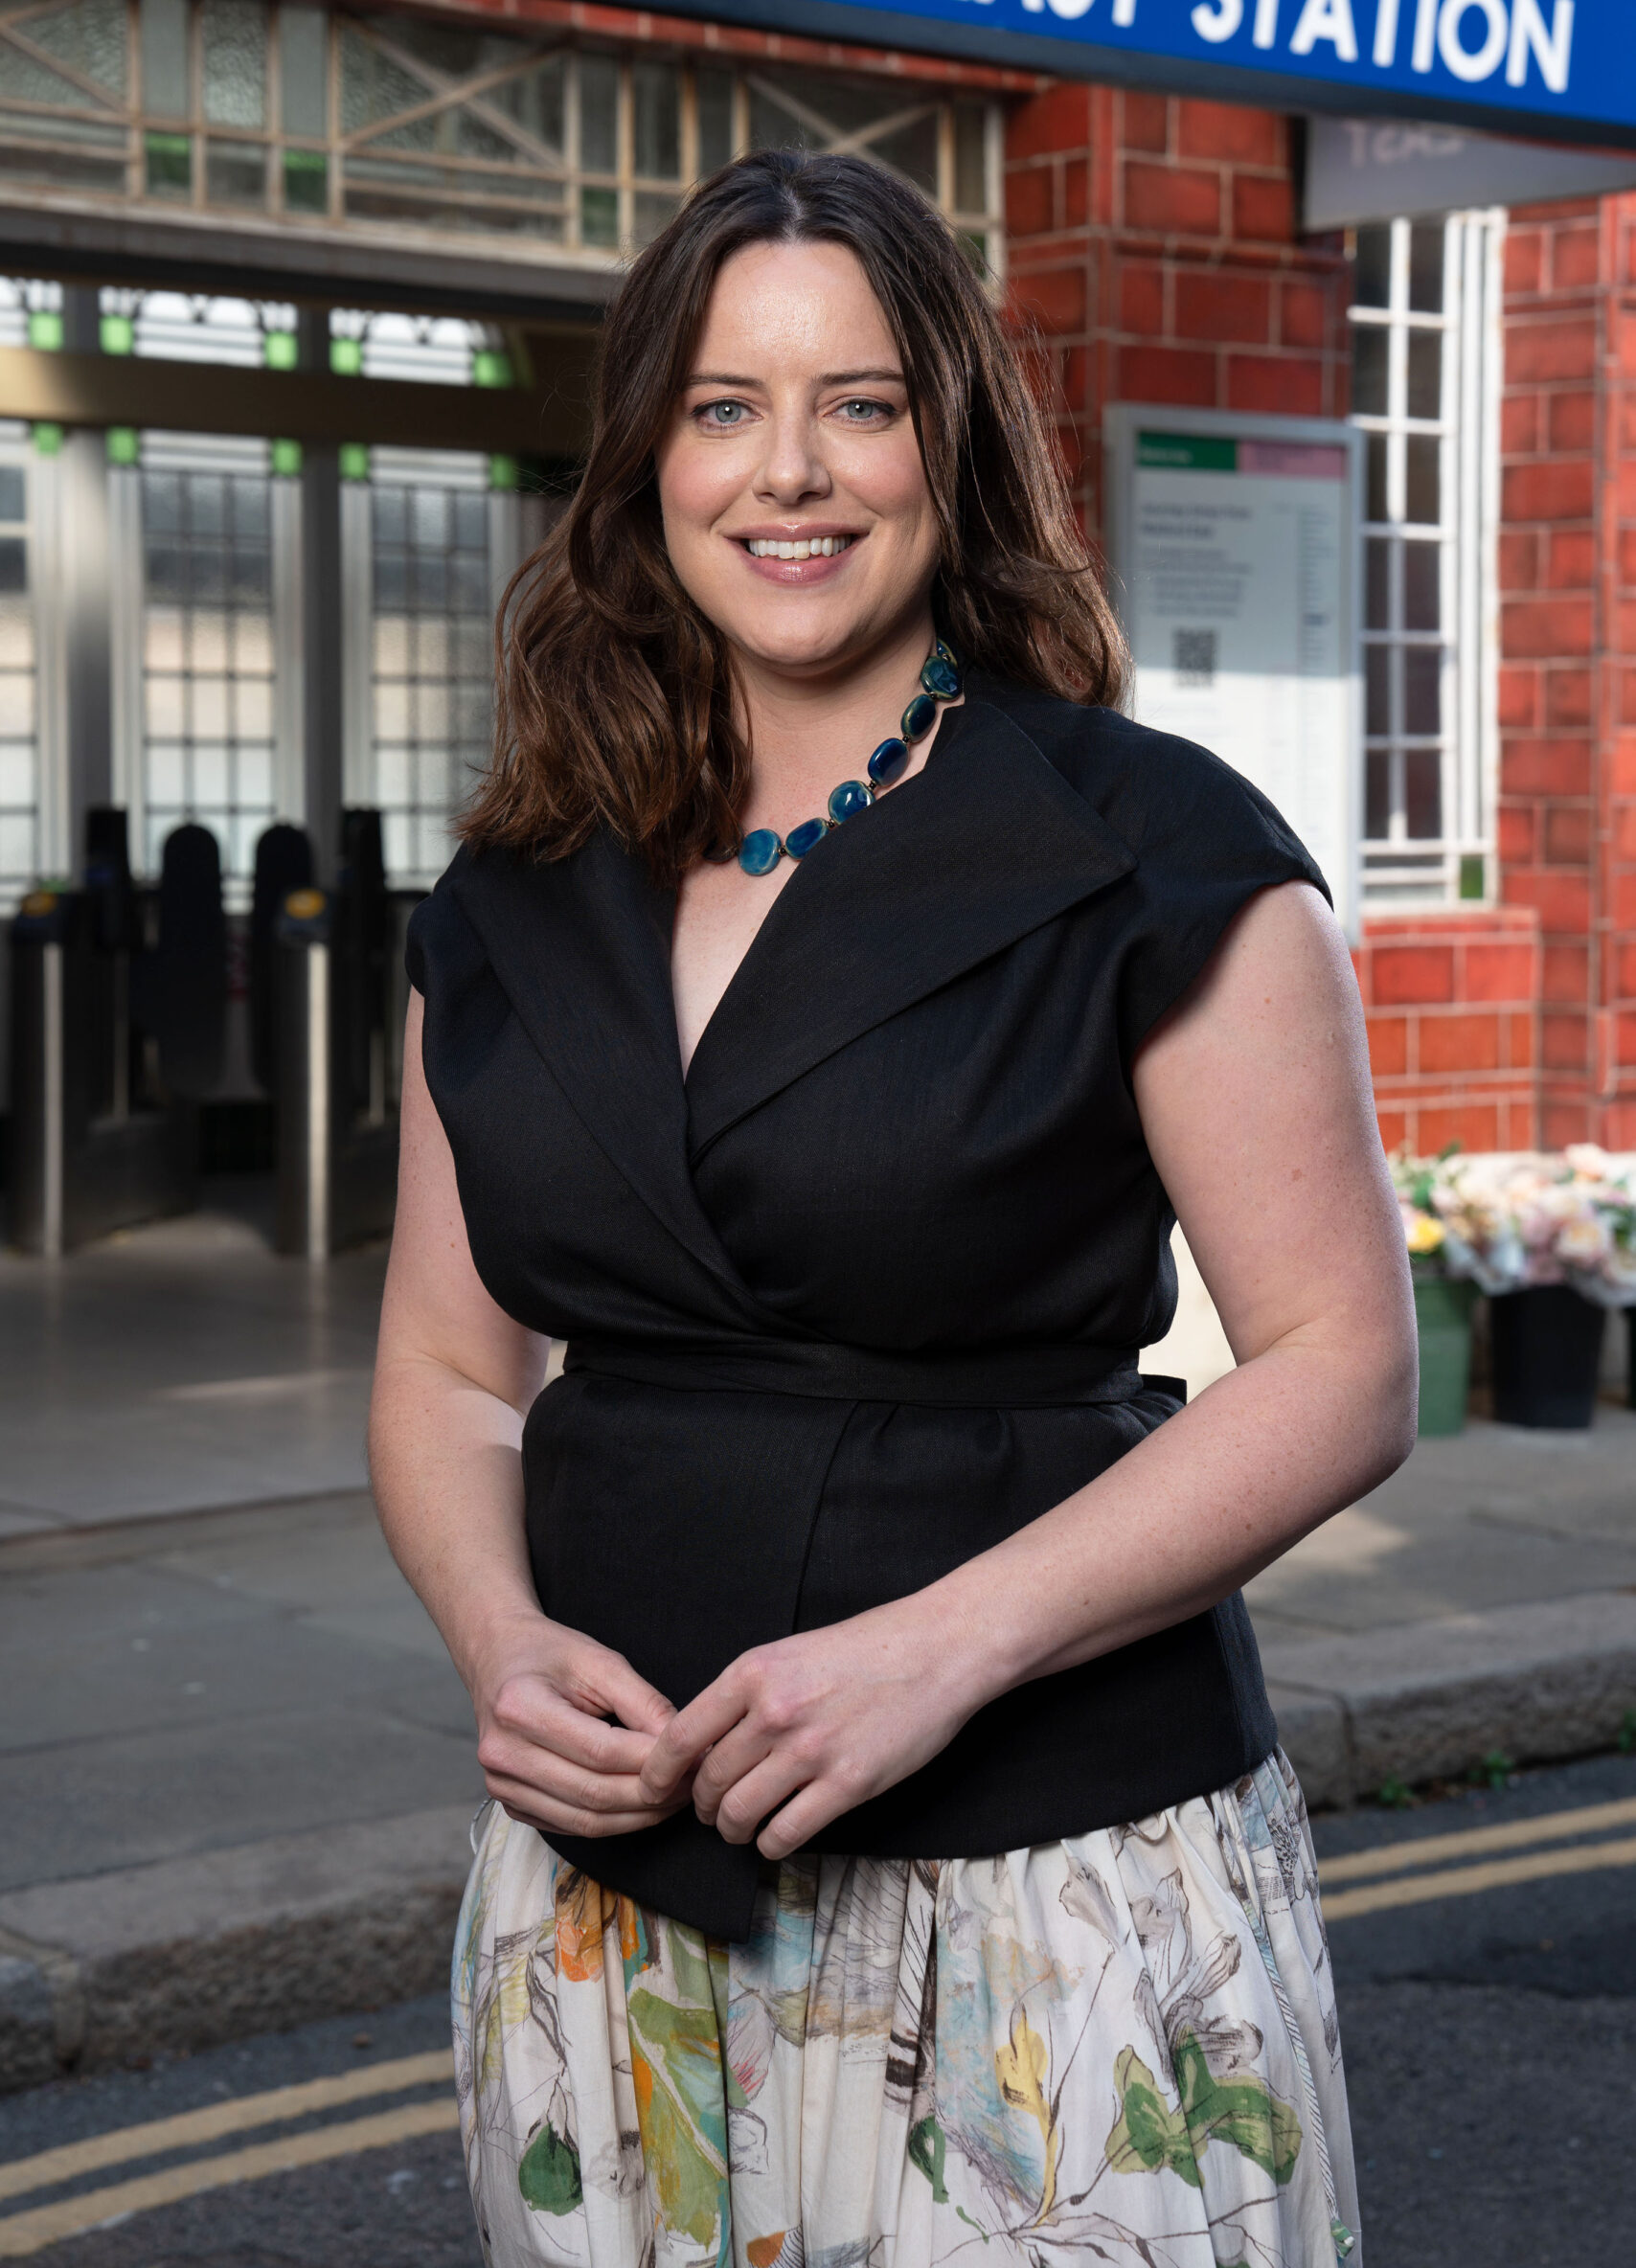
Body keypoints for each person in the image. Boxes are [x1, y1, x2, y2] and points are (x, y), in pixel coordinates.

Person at [369, 147, 1416, 2268]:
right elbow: (445, 1364)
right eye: (723, 405)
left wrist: (936, 1651)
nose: (792, 470)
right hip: (607, 1910)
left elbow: (1334, 1365)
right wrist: (500, 1641)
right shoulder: (509, 888)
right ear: (648, 457)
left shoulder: (1150, 845)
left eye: (857, 399)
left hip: (1053, 1900)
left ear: (950, 436)